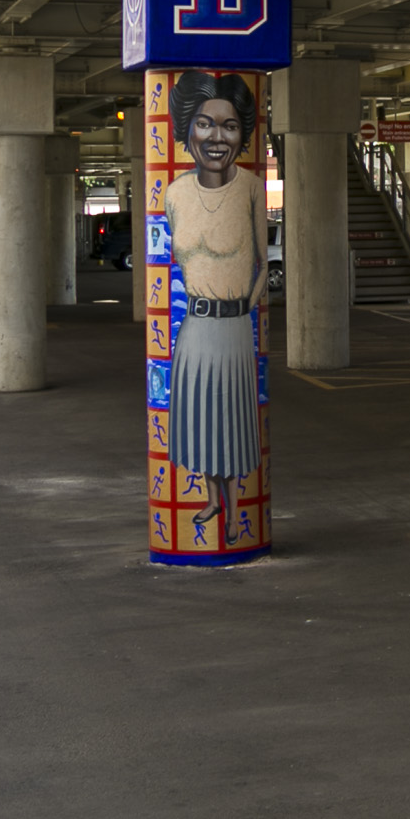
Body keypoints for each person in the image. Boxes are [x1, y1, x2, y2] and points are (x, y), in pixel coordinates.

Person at [165, 70, 266, 549]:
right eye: (204, 124)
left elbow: (265, 264)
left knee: (230, 418)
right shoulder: (175, 193)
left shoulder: (249, 187)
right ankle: (209, 498)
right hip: (194, 327)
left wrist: (245, 305)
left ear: (242, 134)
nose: (216, 136)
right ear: (188, 130)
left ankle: (231, 513)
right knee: (199, 416)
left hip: (231, 325)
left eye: (228, 126)